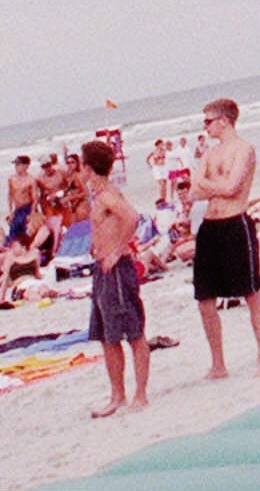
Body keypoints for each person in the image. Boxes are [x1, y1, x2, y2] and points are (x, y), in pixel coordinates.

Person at [189, 99, 260, 378]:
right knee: (204, 298)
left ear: (223, 120)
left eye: (208, 121)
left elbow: (233, 187)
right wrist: (215, 188)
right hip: (210, 226)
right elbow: (192, 191)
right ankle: (218, 363)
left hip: (235, 223)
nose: (206, 126)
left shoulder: (243, 149)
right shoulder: (209, 154)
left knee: (250, 291)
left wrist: (209, 186)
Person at [81, 139, 148, 417]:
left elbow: (133, 218)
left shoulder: (108, 195)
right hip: (102, 269)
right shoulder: (99, 195)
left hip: (117, 269)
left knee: (132, 332)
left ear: (88, 167)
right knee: (107, 336)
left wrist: (116, 251)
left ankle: (140, 394)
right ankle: (117, 394)